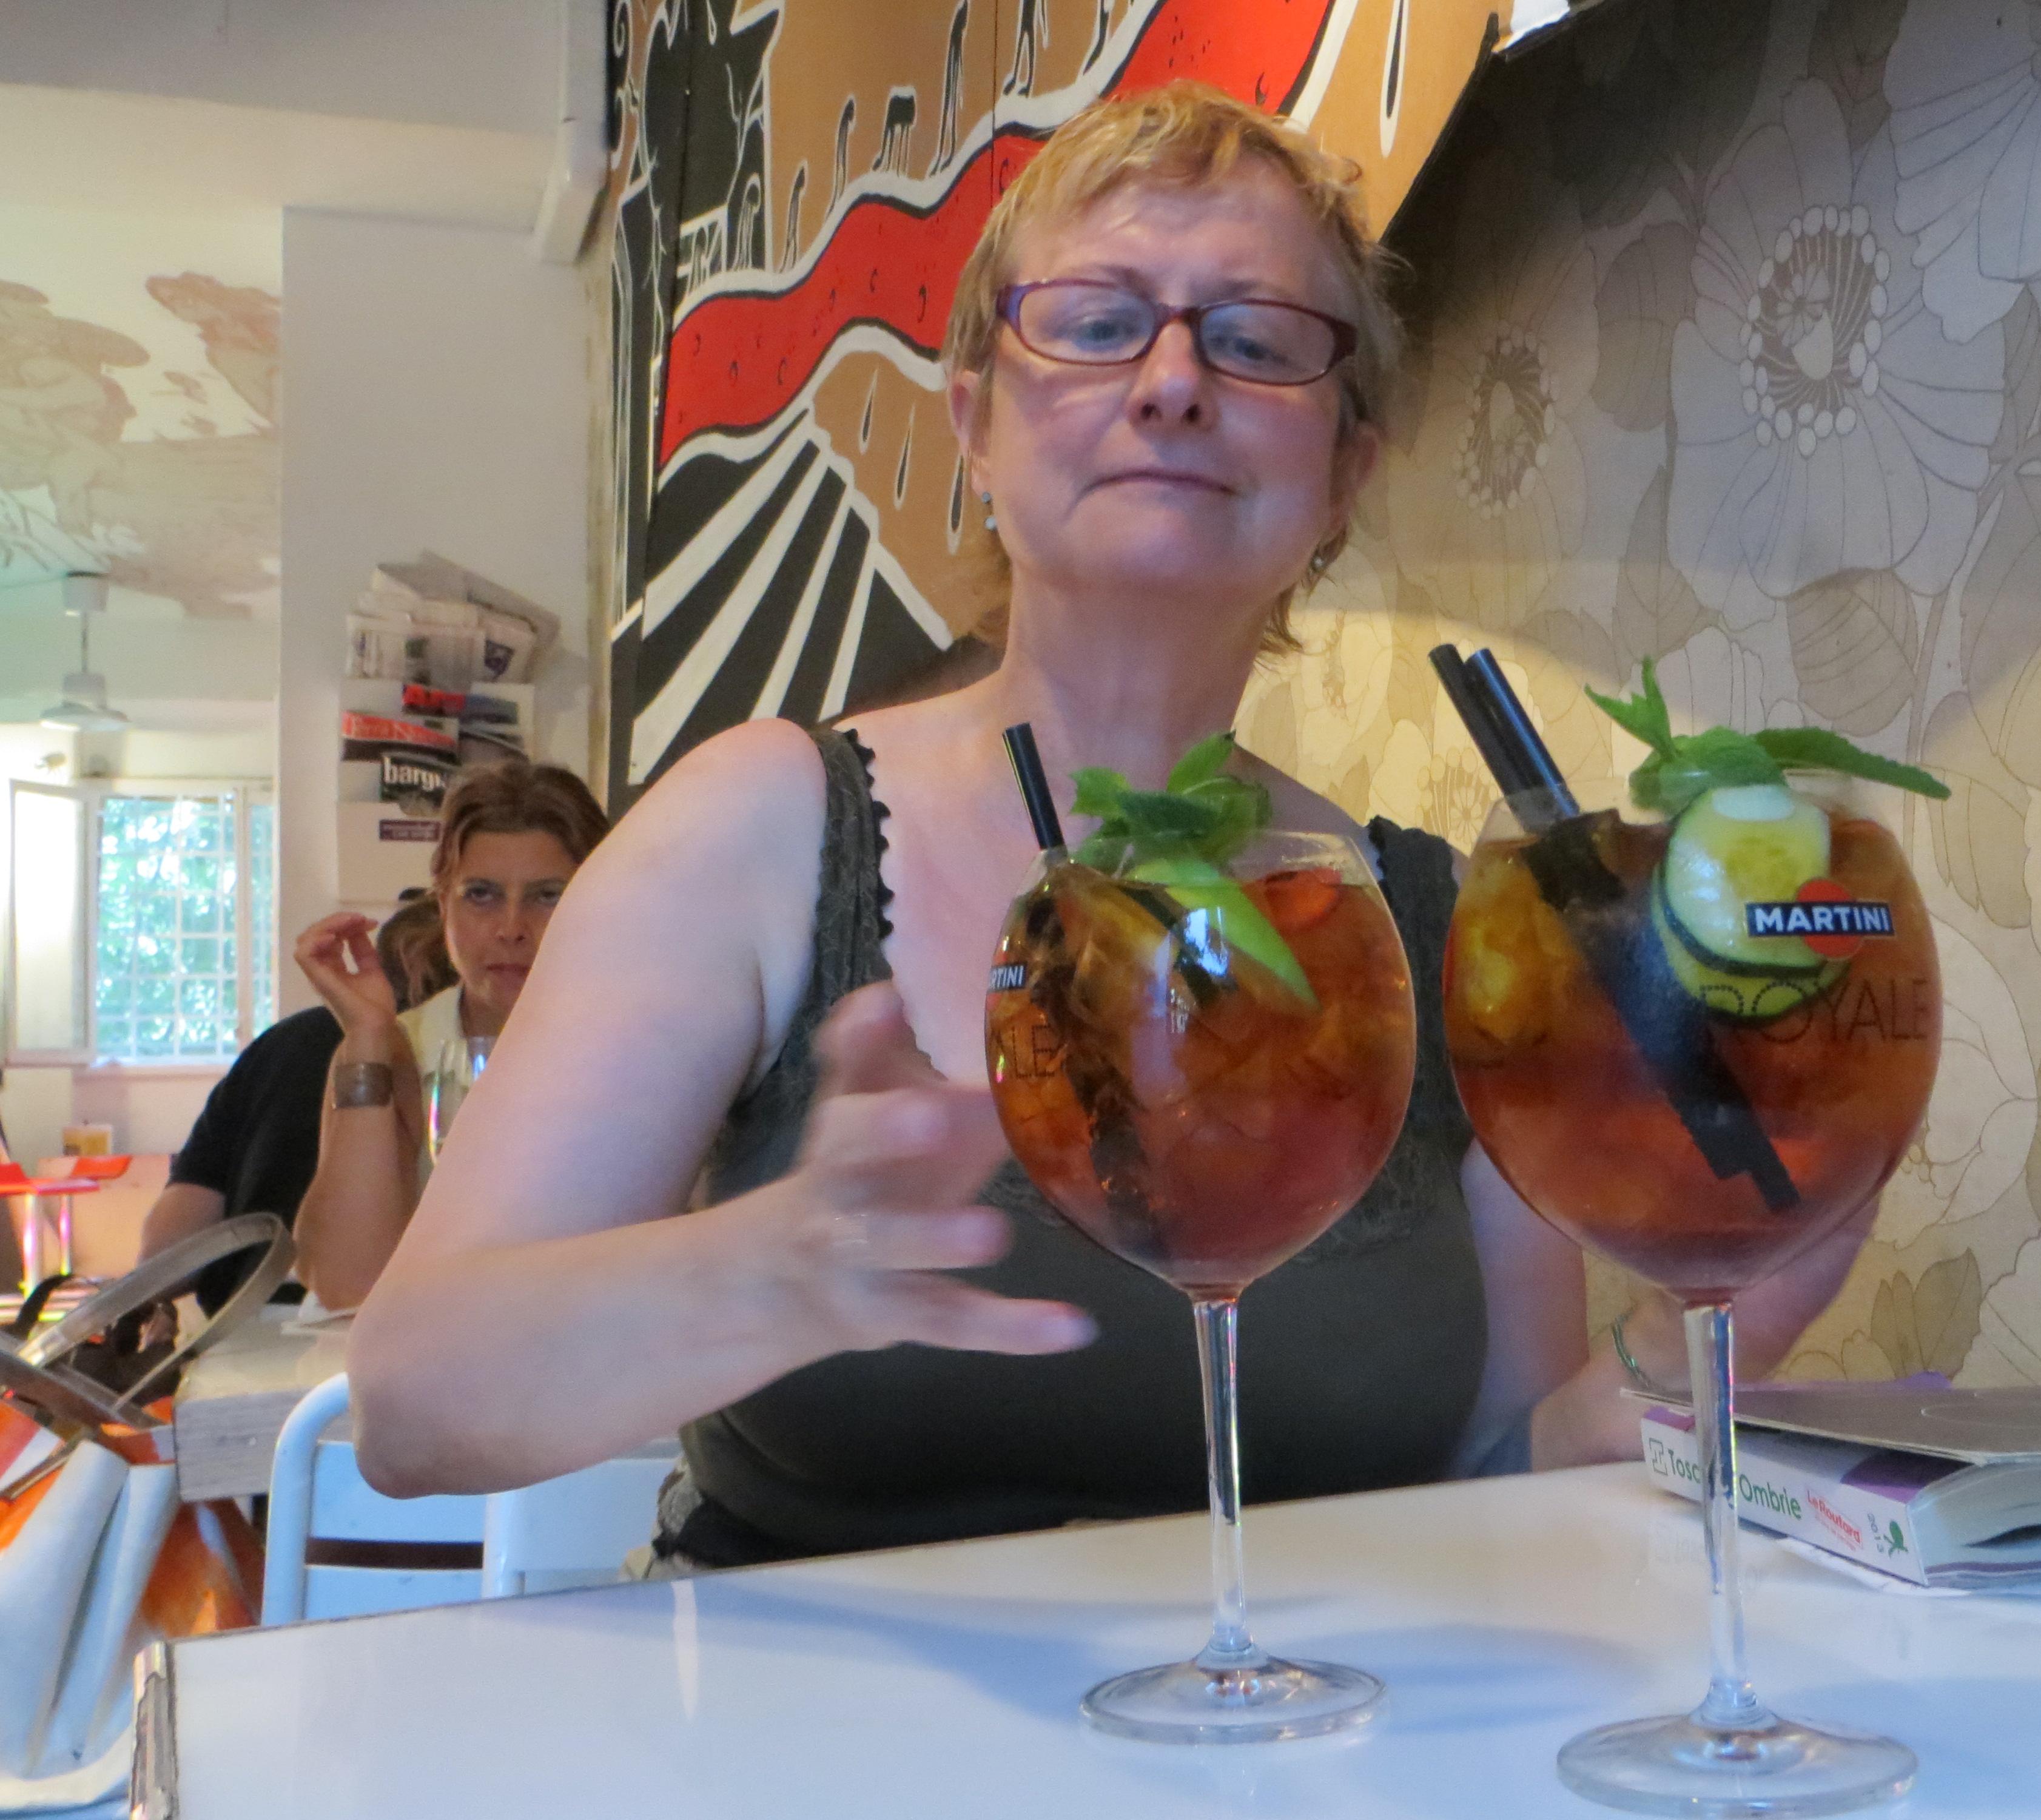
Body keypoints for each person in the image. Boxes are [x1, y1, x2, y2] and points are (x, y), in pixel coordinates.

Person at [348, 84, 1873, 1563]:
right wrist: (780, 1265)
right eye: (1091, 323)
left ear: (1344, 470)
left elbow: (1482, 1483)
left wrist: (1700, 1345)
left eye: (1255, 340)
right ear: (973, 424)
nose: (1171, 381)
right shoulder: (761, 825)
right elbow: (414, 1406)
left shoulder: (1431, 926)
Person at [289, 761, 607, 1310]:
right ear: (443, 907)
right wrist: (368, 1037)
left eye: (548, 895)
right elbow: (346, 1284)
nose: (512, 928)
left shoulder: (653, 1044)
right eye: (481, 894)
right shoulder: (402, 1049)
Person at [135, 893, 459, 1315]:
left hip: (244, 1321)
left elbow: (164, 1259)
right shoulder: (458, 1058)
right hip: (375, 1321)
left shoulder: (282, 1045)